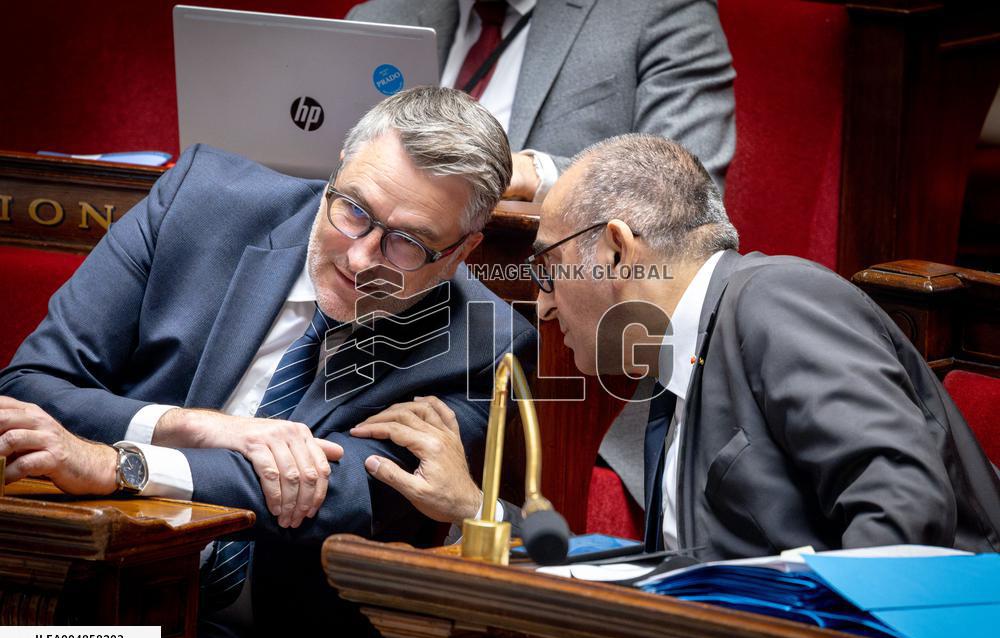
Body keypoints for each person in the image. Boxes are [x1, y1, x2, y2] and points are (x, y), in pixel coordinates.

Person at [0, 87, 535, 638]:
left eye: (407, 244)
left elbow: (332, 495)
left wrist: (122, 465)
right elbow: (29, 386)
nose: (360, 259)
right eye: (353, 210)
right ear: (336, 172)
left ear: (460, 252)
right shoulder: (198, 201)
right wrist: (193, 427)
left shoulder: (483, 344)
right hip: (91, 605)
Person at [357, 134, 1000, 560]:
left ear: (614, 250)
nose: (544, 306)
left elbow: (905, 514)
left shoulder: (775, 298)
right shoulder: (671, 372)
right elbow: (666, 580)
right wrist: (475, 509)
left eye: (546, 272)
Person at [347, 0, 736, 201]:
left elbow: (688, 189)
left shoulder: (661, 11)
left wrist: (535, 174)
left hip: (532, 301)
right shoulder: (379, 13)